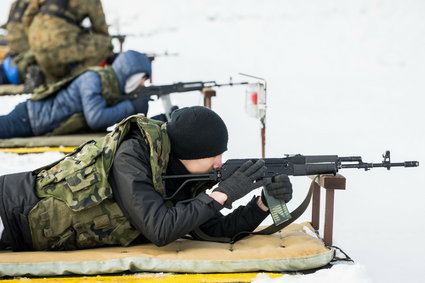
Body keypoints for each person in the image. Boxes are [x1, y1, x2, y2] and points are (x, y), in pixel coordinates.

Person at [0, 106, 293, 251]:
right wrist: (222, 193)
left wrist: (262, 206)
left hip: (20, 231)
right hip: (10, 211)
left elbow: (211, 231)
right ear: (190, 152)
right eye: (214, 155)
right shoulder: (132, 157)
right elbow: (161, 229)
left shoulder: (176, 170)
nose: (219, 162)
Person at [0, 50, 152, 138]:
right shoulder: (93, 79)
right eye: (141, 79)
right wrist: (130, 106)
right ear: (129, 76)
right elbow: (96, 118)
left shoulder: (112, 87)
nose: (142, 85)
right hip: (30, 118)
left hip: (36, 120)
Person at [22, 0, 114, 83]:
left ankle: (50, 80)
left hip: (36, 43)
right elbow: (101, 30)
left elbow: (26, 19)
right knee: (105, 45)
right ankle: (72, 80)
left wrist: (36, 40)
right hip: (60, 44)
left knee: (55, 62)